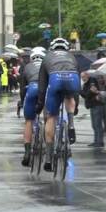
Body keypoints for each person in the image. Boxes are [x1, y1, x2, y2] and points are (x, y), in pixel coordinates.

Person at [36, 38, 81, 171]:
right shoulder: (72, 57)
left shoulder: (47, 58)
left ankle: (49, 158)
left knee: (51, 117)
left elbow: (42, 87)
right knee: (69, 95)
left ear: (52, 48)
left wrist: (39, 104)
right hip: (72, 78)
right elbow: (77, 89)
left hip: (55, 79)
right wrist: (76, 105)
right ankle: (71, 123)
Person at [19, 47, 46, 167]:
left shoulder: (27, 67)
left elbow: (22, 89)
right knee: (50, 117)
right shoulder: (47, 65)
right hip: (44, 90)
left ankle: (27, 152)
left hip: (31, 88)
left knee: (29, 121)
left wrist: (22, 101)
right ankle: (49, 144)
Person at [80, 69, 106, 149]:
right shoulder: (86, 84)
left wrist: (83, 92)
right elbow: (86, 95)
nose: (83, 78)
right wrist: (83, 92)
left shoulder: (92, 81)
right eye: (82, 77)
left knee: (97, 124)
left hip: (97, 105)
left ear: (88, 75)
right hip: (92, 105)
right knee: (94, 125)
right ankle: (96, 141)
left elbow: (88, 94)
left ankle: (99, 142)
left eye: (84, 76)